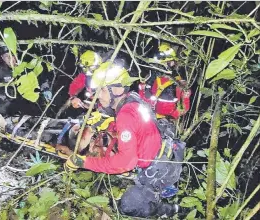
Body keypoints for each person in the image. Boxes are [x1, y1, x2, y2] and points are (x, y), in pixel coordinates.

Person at [64, 61, 185, 218]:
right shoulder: (132, 101)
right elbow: (138, 127)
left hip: (159, 172)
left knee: (127, 206)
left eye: (101, 91)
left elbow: (125, 163)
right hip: (166, 155)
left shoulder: (125, 115)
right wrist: (111, 124)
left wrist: (83, 162)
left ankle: (166, 209)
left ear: (116, 90)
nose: (98, 96)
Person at [138, 42, 191, 119]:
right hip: (155, 117)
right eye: (171, 61)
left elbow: (183, 108)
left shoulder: (176, 79)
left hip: (159, 118)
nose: (173, 63)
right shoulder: (153, 77)